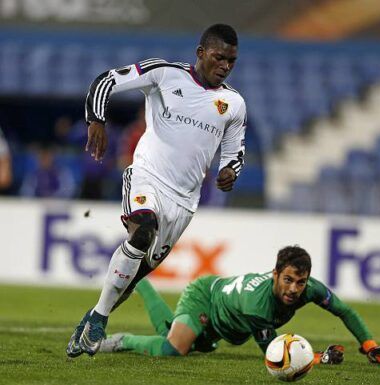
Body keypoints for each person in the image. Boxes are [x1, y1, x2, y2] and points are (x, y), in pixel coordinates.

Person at [66, 23, 246, 358]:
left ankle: (91, 319)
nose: (225, 65)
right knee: (142, 232)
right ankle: (100, 320)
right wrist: (96, 120)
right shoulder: (164, 74)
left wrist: (229, 172)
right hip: (147, 177)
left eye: (231, 61)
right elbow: (106, 80)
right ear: (201, 53)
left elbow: (235, 153)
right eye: (219, 57)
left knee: (134, 276)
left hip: (184, 203)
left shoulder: (233, 104)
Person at [98, 246, 380, 366]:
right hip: (207, 297)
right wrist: (321, 358)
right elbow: (274, 354)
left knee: (169, 333)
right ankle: (119, 341)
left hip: (224, 322)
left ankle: (140, 281)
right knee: (173, 348)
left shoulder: (311, 289)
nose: (294, 289)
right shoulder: (259, 307)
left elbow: (345, 311)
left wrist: (370, 344)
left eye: (301, 282)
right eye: (289, 280)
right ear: (275, 274)